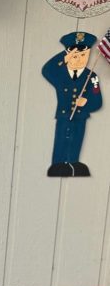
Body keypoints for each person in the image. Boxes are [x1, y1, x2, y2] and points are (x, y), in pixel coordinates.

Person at [41, 30, 102, 177]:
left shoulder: (91, 76)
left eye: (83, 55)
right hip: (63, 115)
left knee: (77, 138)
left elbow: (97, 102)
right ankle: (58, 163)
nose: (80, 59)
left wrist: (86, 103)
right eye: (75, 56)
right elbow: (46, 70)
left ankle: (73, 162)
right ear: (68, 56)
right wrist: (63, 56)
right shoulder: (60, 74)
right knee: (61, 138)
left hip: (81, 116)